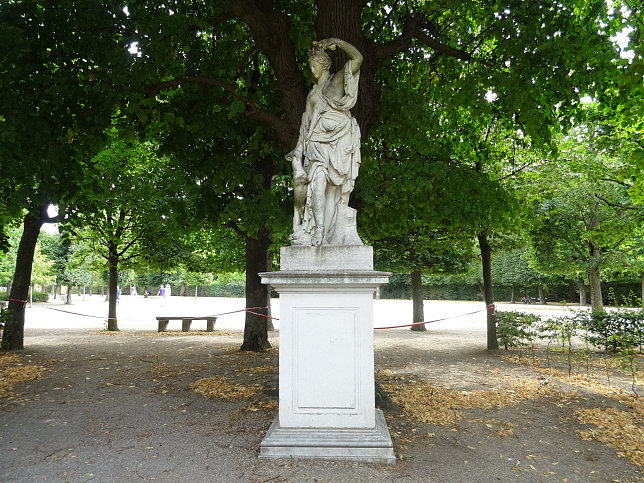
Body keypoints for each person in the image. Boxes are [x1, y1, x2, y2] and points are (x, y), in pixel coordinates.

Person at [287, 38, 364, 246]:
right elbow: (306, 127)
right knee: (317, 185)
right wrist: (298, 151)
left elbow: (358, 58)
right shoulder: (311, 94)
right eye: (310, 66)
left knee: (333, 194)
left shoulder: (337, 81)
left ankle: (326, 232)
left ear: (324, 64)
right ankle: (318, 232)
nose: (312, 70)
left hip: (338, 143)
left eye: (314, 65)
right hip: (316, 147)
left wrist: (337, 42)